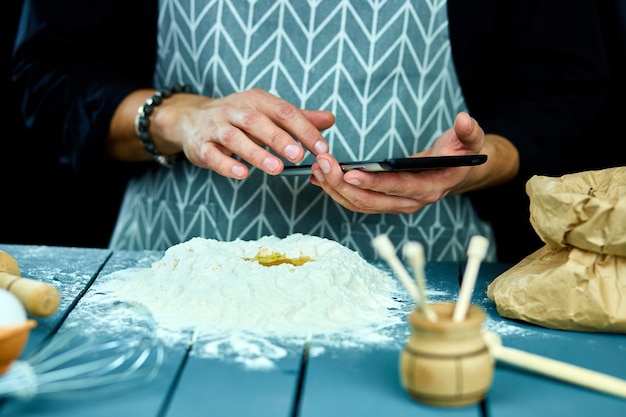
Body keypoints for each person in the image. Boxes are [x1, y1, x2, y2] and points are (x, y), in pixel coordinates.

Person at [12, 0, 609, 262]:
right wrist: (180, 117)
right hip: (171, 263)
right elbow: (48, 73)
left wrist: (480, 162)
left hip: (424, 275)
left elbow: (565, 91)